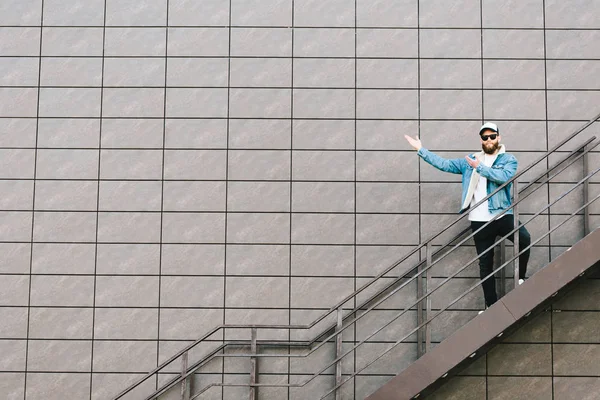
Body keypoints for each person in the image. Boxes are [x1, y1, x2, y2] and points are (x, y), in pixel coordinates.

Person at [404, 122, 531, 309]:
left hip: (502, 215)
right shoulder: (468, 161)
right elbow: (445, 164)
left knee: (525, 239)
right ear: (481, 140)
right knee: (485, 265)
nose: (489, 140)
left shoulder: (508, 159)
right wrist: (421, 149)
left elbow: (503, 177)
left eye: (492, 136)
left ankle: (520, 278)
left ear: (499, 137)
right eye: (485, 137)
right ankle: (491, 305)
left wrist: (479, 167)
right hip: (479, 221)